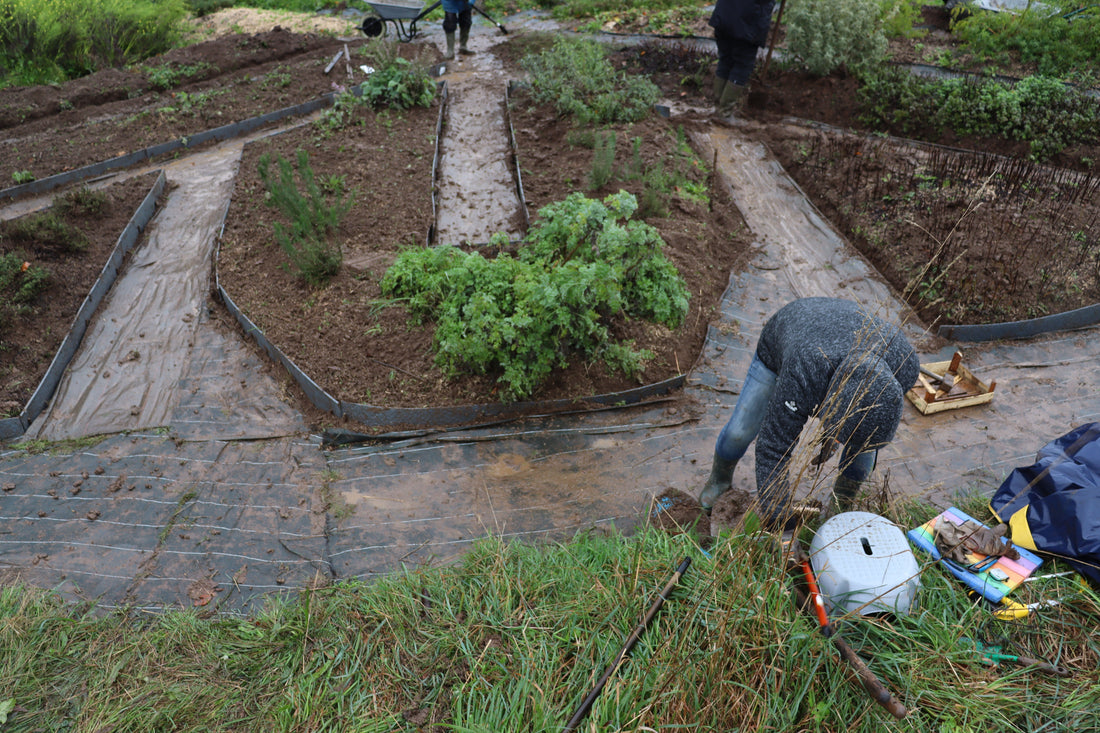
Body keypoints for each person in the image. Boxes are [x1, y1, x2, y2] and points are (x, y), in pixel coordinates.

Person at [699, 297, 919, 530]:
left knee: (863, 451)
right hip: (789, 333)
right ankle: (719, 481)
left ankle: (840, 508)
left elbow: (870, 413)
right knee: (740, 431)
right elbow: (772, 449)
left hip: (844, 331)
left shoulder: (904, 363)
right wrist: (782, 526)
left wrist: (835, 433)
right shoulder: (804, 368)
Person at [708, 0, 775, 120]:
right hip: (747, 23)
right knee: (742, 65)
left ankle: (718, 109)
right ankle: (725, 113)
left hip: (725, 15)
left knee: (725, 60)